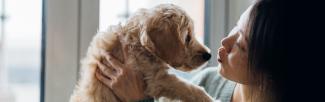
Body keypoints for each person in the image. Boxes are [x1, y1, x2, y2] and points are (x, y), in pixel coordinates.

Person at [95, 0, 286, 102]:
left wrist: (139, 101)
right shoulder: (207, 82)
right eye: (236, 28)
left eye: (241, 45)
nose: (225, 42)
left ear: (268, 73)